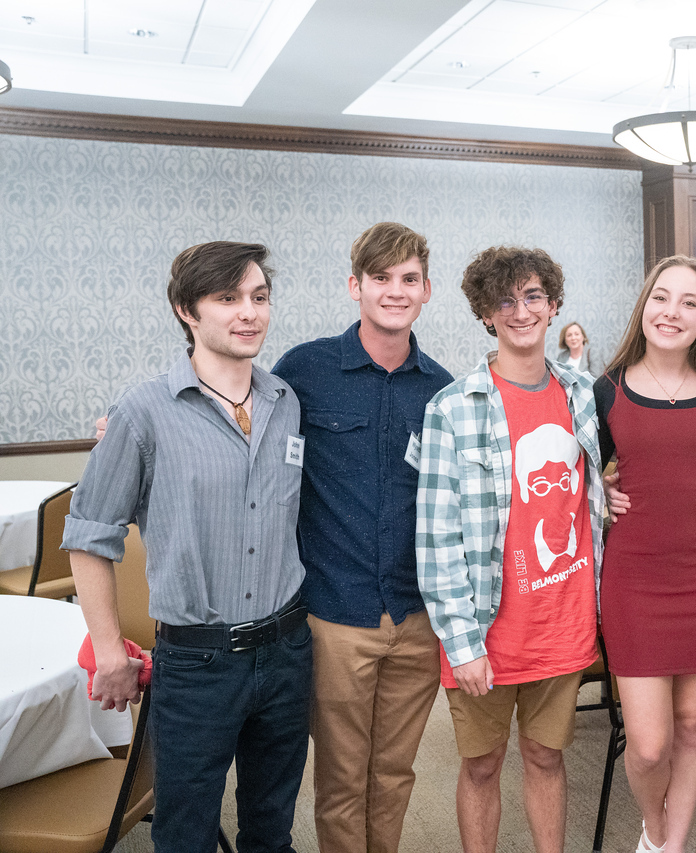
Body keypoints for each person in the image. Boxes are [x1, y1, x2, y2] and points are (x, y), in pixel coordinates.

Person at [64, 242, 311, 853]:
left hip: (286, 654)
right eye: (227, 299)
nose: (247, 312)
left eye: (258, 297)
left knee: (271, 828)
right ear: (186, 311)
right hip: (198, 666)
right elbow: (90, 534)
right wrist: (107, 647)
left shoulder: (286, 403)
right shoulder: (143, 412)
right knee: (185, 834)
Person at [417, 246, 605, 853]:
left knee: (548, 759)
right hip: (486, 633)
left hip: (565, 621)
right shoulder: (452, 408)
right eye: (504, 300)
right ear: (485, 315)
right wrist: (462, 645)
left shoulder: (582, 395)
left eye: (532, 297)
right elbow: (436, 536)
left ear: (553, 307)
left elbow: (599, 488)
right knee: (480, 767)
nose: (520, 311)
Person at [272, 222, 452, 853]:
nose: (395, 291)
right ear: (356, 285)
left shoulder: (443, 391)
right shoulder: (304, 369)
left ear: (427, 290)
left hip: (416, 616)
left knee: (395, 774)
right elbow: (241, 425)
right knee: (343, 779)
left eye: (409, 279)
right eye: (381, 278)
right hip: (334, 615)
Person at [595, 255, 696, 853]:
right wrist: (595, 489)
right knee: (649, 743)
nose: (672, 312)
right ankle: (654, 832)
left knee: (691, 727)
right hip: (634, 578)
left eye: (688, 302)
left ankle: (671, 848)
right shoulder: (604, 388)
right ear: (644, 305)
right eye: (662, 297)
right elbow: (567, 469)